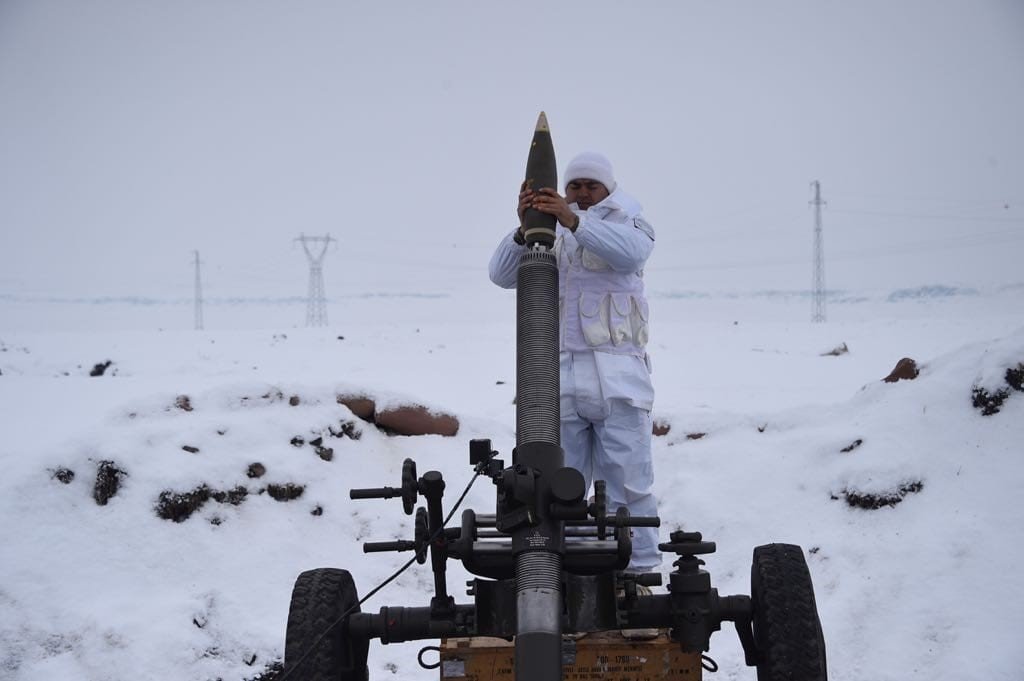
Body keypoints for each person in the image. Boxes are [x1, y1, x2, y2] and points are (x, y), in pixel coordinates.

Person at [488, 151, 660, 573]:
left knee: (628, 484)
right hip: (559, 380)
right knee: (564, 488)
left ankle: (638, 573)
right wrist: (526, 226)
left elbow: (632, 255)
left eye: (591, 186)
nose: (582, 193)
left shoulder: (629, 221)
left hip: (618, 379)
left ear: (608, 188)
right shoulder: (552, 229)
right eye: (574, 186)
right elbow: (500, 274)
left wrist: (573, 220)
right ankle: (578, 575)